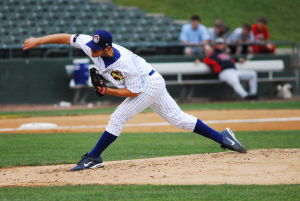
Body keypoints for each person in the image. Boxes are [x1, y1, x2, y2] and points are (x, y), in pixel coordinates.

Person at [23, 30, 247, 172]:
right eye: (92, 47)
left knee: (118, 116)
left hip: (147, 84)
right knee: (179, 119)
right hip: (150, 79)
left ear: (108, 47)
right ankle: (224, 138)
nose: (92, 51)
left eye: (97, 49)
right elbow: (67, 37)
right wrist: (38, 41)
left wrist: (107, 91)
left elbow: (134, 92)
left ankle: (93, 157)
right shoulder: (92, 44)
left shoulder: (124, 63)